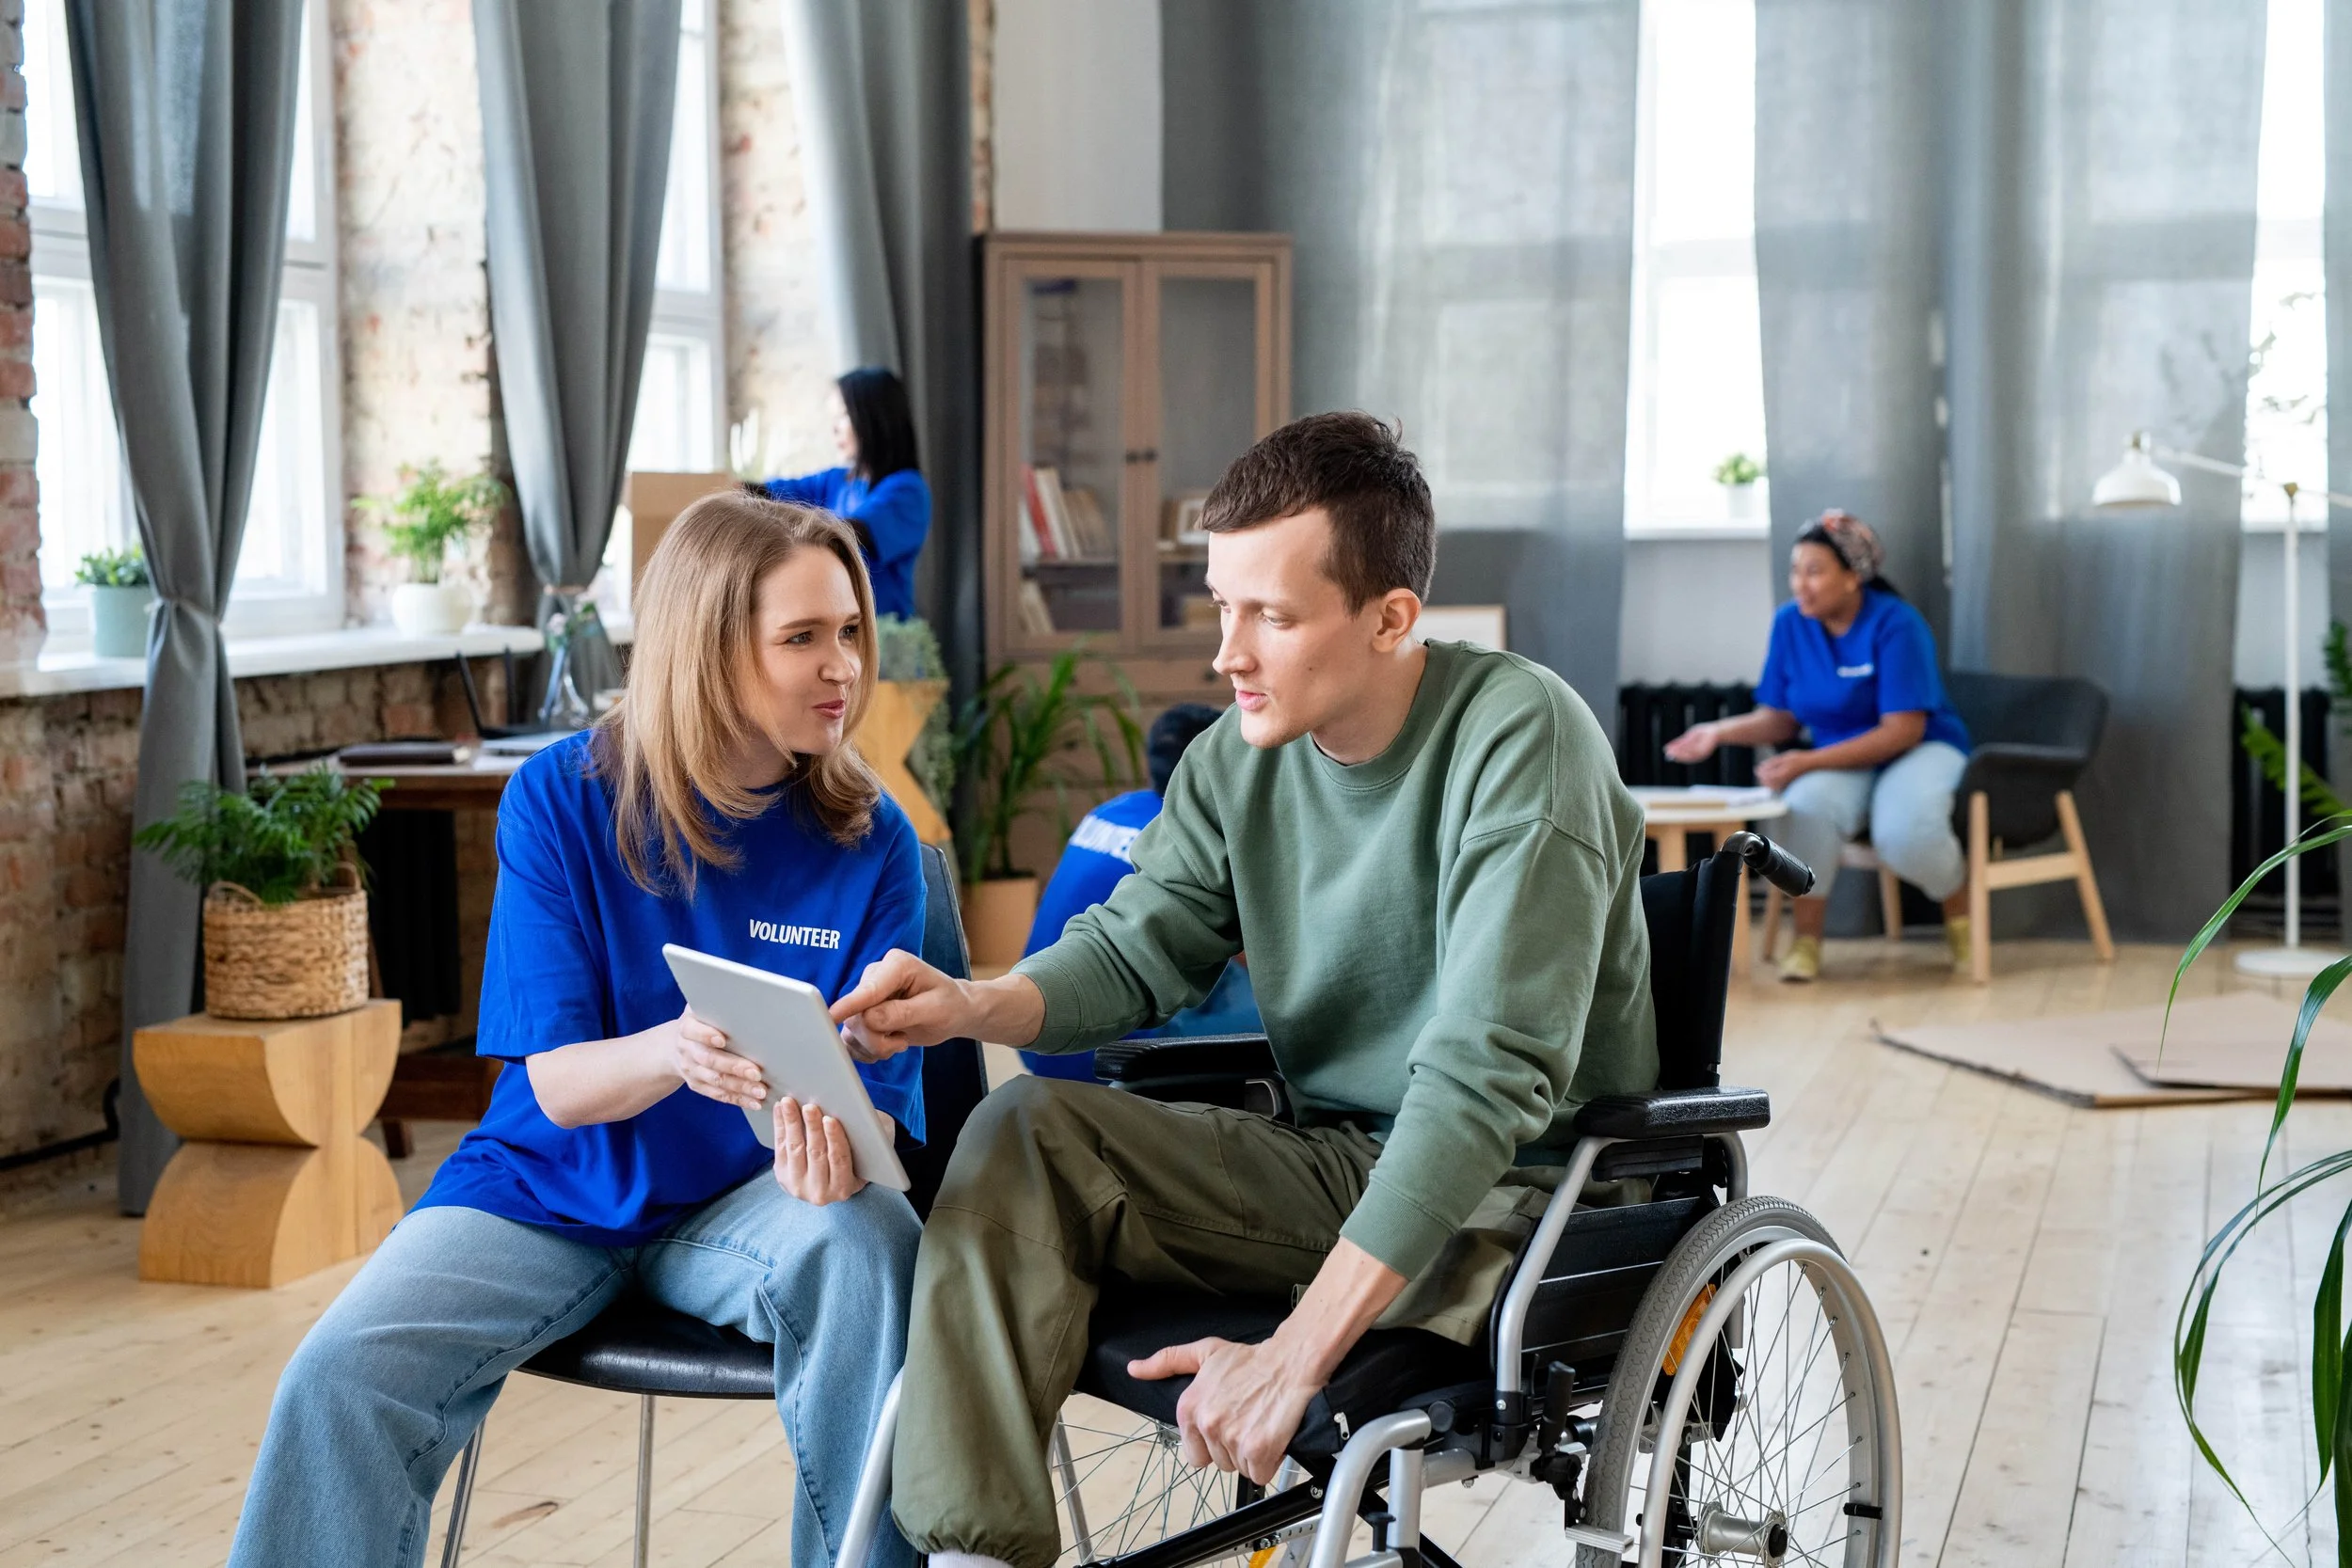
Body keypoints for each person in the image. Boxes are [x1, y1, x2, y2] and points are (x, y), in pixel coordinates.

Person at [831, 411, 1659, 1568]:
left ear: (1390, 619)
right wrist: (974, 1001)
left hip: (1517, 1205)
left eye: (1271, 613)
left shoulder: (1522, 740)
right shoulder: (1237, 757)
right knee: (1021, 1123)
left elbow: (1480, 1084)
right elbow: (1132, 951)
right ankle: (973, 1558)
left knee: (1064, 1149)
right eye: (1223, 606)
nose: (1229, 652)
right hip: (1335, 1166)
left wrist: (1294, 1354)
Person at [227, 495, 929, 1568]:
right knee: (340, 1374)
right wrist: (674, 1050)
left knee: (872, 1244)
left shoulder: (875, 837)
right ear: (707, 649)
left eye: (848, 632)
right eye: (801, 637)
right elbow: (556, 1086)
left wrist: (844, 1137)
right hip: (544, 1189)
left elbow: (879, 1106)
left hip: (753, 1204)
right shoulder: (561, 798)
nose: (841, 665)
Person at [1664, 509, 1973, 982]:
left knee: (1907, 834)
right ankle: (1805, 940)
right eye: (1795, 570)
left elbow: (1902, 730)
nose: (1799, 584)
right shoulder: (1791, 623)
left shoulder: (1897, 624)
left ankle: (1961, 917)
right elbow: (1781, 719)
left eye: (1814, 572)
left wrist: (1807, 760)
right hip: (1840, 757)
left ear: (1853, 577)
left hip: (1919, 749)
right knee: (1803, 806)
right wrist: (1717, 732)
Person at [1016, 702, 1263, 1083]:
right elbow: (1257, 951)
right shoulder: (1190, 835)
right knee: (1283, 1018)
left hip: (1036, 1030)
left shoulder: (1108, 811)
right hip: (1114, 1048)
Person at [761, 366, 930, 620]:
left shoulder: (908, 491)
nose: (835, 429)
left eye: (843, 416)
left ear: (874, 419)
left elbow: (849, 534)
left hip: (885, 640)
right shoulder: (836, 480)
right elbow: (765, 494)